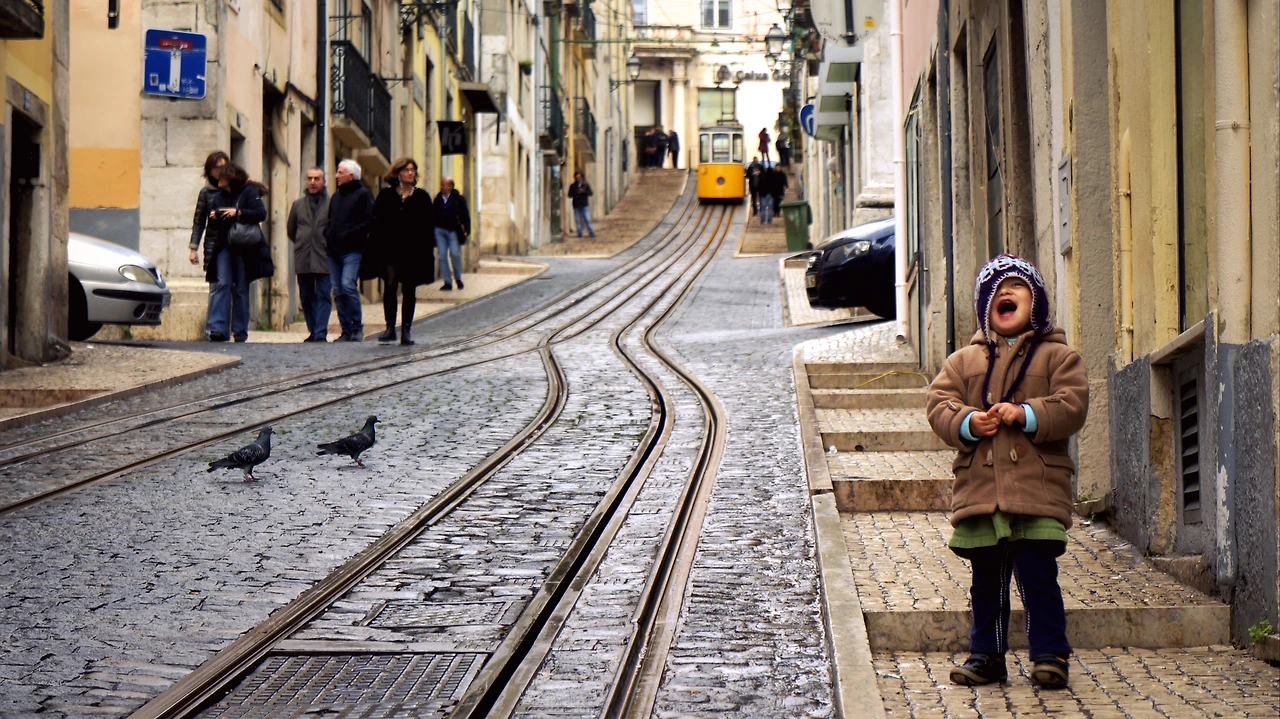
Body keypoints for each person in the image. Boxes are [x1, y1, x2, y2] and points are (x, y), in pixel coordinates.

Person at [925, 255, 1088, 691]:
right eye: (996, 289)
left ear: (1037, 302)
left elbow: (1073, 405)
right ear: (985, 308)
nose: (1006, 292)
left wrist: (1027, 413)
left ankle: (1050, 654)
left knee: (1037, 575)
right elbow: (938, 404)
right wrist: (967, 421)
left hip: (1037, 491)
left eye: (1017, 286)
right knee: (987, 582)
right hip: (982, 493)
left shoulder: (1058, 356)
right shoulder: (963, 362)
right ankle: (987, 655)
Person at [368, 157, 435, 345]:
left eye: (413, 170)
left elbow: (428, 225)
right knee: (390, 285)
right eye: (406, 170)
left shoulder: (422, 197)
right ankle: (390, 327)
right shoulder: (386, 196)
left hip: (413, 251)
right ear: (398, 173)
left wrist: (426, 250)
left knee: (409, 289)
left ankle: (406, 330)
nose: (410, 173)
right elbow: (377, 221)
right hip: (390, 250)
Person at [205, 162, 268, 342]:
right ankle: (218, 328)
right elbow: (214, 225)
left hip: (244, 246)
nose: (218, 178)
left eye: (222, 176)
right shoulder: (219, 196)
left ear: (230, 178)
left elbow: (261, 213)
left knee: (241, 287)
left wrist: (238, 213)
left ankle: (240, 331)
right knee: (222, 283)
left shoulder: (248, 192)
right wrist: (215, 217)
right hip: (224, 245)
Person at [326, 159, 376, 342]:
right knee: (338, 290)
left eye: (340, 172)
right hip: (333, 251)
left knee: (348, 284)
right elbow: (330, 220)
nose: (336, 176)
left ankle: (357, 327)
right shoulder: (336, 197)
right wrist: (328, 234)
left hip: (352, 250)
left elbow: (370, 220)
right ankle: (346, 329)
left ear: (351, 176)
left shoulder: (363, 194)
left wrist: (350, 233)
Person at [287, 167, 332, 343]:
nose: (312, 182)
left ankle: (320, 333)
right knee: (306, 296)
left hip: (324, 255)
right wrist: (302, 242)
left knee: (323, 295)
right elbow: (291, 229)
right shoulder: (298, 204)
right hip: (303, 255)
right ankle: (313, 330)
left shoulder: (331, 204)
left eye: (316, 179)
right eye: (310, 179)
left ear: (323, 181)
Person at [189, 150, 229, 337]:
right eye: (216, 168)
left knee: (229, 286)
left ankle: (224, 327)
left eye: (223, 167)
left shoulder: (234, 189)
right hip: (213, 244)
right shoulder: (206, 193)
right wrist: (193, 248)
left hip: (233, 243)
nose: (219, 171)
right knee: (215, 286)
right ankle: (212, 328)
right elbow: (199, 221)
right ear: (210, 170)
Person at [433, 177, 471, 291]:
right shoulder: (438, 199)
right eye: (442, 184)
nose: (443, 187)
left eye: (445, 185)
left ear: (451, 186)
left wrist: (467, 229)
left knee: (455, 254)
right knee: (442, 256)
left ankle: (458, 278)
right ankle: (447, 282)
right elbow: (432, 214)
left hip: (454, 230)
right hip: (440, 230)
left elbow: (465, 215)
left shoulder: (458, 199)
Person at [567, 171, 595, 238]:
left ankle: (591, 233)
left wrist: (584, 191)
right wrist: (576, 193)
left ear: (582, 177)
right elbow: (569, 195)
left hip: (584, 204)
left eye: (579, 178)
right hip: (576, 205)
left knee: (587, 219)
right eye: (577, 178)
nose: (578, 179)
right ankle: (579, 234)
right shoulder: (572, 186)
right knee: (578, 220)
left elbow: (590, 193)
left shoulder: (586, 185)